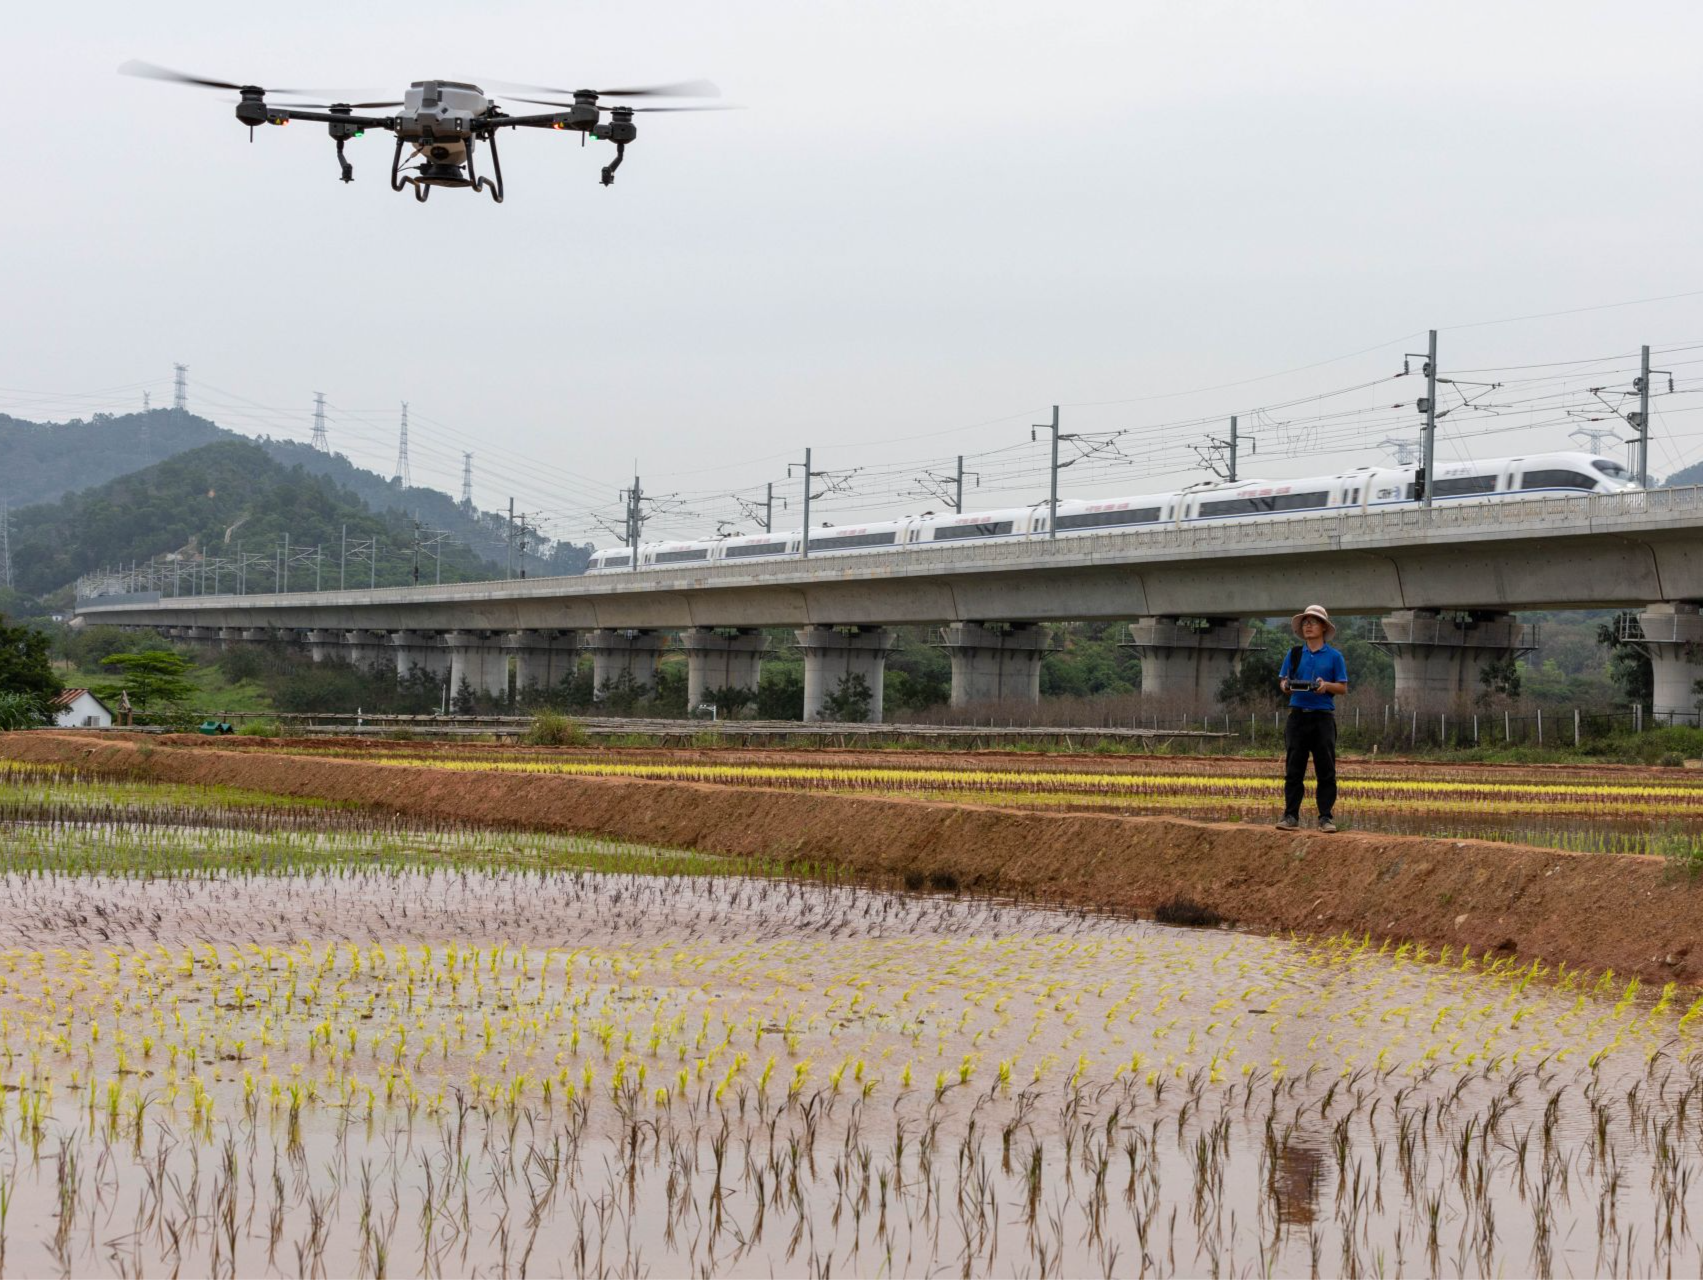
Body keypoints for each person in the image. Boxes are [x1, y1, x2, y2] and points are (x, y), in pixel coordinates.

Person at [1275, 604, 1348, 832]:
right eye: (1305, 622)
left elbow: (1343, 688)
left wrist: (1325, 686)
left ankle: (1325, 817)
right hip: (1297, 717)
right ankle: (1290, 816)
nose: (1308, 625)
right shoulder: (1294, 654)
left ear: (1323, 627)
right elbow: (1283, 682)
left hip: (1322, 718)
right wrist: (1287, 685)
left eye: (1313, 621)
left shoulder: (1335, 657)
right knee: (1293, 769)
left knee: (1326, 769)